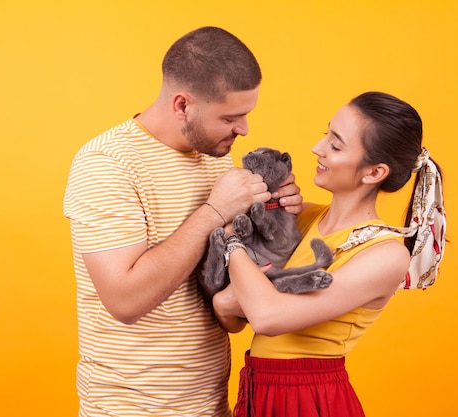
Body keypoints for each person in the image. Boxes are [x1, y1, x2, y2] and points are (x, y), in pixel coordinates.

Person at [63, 26, 302, 416]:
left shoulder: (214, 157)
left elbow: (223, 297)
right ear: (182, 106)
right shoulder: (107, 165)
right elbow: (125, 300)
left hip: (210, 404)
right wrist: (214, 211)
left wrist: (281, 211)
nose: (244, 129)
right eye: (231, 117)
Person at [212, 91, 446, 417]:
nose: (317, 148)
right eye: (326, 134)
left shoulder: (385, 253)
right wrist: (227, 300)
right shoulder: (304, 218)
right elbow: (234, 315)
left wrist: (231, 238)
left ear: (374, 173)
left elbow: (267, 316)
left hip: (310, 400)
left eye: (336, 145)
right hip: (258, 388)